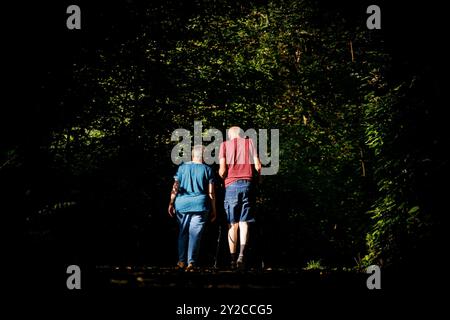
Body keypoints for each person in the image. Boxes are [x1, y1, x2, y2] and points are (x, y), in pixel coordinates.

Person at [168, 145, 216, 271]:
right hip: (200, 205)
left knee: (183, 232)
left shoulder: (182, 168)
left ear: (193, 155)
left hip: (182, 204)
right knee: (195, 235)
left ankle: (181, 261)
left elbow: (175, 187)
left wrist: (171, 203)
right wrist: (214, 210)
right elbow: (211, 193)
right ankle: (191, 263)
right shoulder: (208, 170)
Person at [219, 126, 261, 269]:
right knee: (244, 222)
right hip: (248, 184)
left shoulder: (224, 145)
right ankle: (241, 256)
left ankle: (232, 259)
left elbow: (223, 170)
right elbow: (258, 166)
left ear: (230, 135)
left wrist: (222, 176)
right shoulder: (250, 142)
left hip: (231, 185)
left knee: (232, 223)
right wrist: (258, 179)